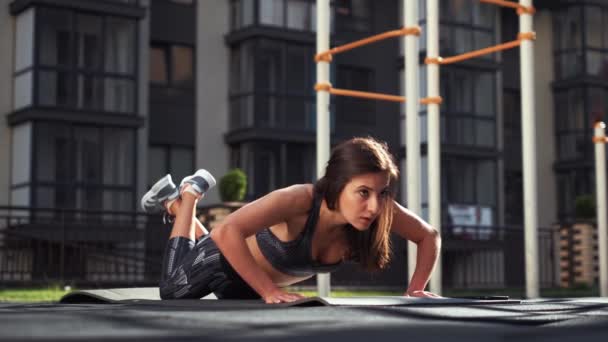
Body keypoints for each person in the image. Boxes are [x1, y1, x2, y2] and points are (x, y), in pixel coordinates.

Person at [141, 137, 441, 304]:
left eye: (382, 192)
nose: (375, 205)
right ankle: (188, 198)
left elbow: (429, 236)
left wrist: (415, 288)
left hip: (246, 288)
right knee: (171, 291)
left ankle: (173, 204)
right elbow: (227, 231)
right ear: (337, 183)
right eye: (363, 192)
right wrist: (270, 292)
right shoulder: (299, 200)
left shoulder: (377, 205)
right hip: (219, 261)